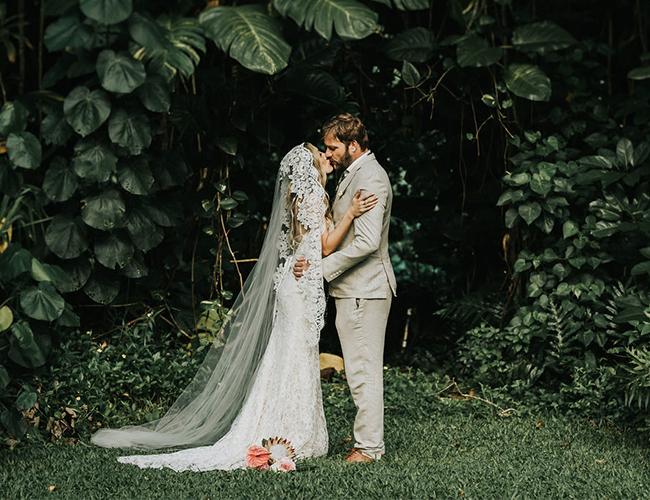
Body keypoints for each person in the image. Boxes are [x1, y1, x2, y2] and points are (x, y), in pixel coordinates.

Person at [90, 143, 377, 471]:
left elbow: (302, 244)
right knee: (296, 355)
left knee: (287, 355)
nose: (327, 157)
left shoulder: (301, 197)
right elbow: (323, 245)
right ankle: (292, 432)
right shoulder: (311, 195)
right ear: (309, 167)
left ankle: (284, 428)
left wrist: (306, 257)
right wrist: (352, 214)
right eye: (321, 155)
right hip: (297, 289)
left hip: (293, 284)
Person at [294, 114, 396, 463]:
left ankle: (369, 448)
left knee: (363, 370)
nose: (329, 153)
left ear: (353, 145)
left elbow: (367, 242)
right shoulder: (356, 174)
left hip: (364, 291)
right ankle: (366, 442)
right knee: (357, 369)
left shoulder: (371, 178)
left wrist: (322, 270)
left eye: (333, 147)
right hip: (353, 290)